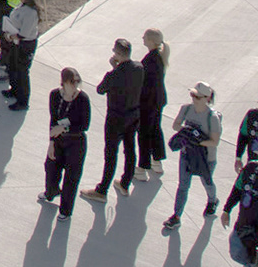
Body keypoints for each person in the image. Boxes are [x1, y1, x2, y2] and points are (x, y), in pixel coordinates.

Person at [83, 38, 145, 201]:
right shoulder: (139, 68)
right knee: (130, 149)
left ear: (117, 54)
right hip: (133, 114)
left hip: (116, 117)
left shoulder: (113, 75)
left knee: (111, 154)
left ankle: (102, 190)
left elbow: (100, 89)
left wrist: (113, 68)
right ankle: (125, 182)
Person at [164, 82, 224, 232]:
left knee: (207, 182)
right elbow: (176, 125)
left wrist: (197, 141)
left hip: (206, 158)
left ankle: (212, 200)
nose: (194, 98)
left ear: (206, 98)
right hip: (187, 155)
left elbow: (214, 141)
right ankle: (176, 216)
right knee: (183, 186)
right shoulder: (186, 109)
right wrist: (187, 132)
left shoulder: (212, 118)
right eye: (192, 95)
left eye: (197, 96)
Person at [39, 67, 90, 221]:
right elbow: (53, 120)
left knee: (71, 177)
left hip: (76, 142)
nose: (75, 85)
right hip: (59, 140)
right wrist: (51, 142)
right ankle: (51, 192)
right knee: (50, 166)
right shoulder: (55, 95)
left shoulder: (82, 99)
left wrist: (64, 128)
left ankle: (66, 210)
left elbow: (84, 126)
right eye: (72, 82)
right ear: (64, 82)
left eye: (77, 82)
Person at [1, 0, 40, 111]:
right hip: (15, 42)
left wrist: (11, 36)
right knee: (13, 66)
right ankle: (14, 90)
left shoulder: (31, 13)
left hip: (25, 45)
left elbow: (24, 33)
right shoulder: (21, 6)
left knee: (22, 72)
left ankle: (22, 101)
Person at [137, 28, 171, 177]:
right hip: (158, 99)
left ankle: (143, 167)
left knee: (144, 132)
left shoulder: (151, 60)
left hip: (148, 102)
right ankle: (156, 160)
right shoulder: (158, 57)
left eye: (145, 36)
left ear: (151, 41)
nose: (142, 38)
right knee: (155, 129)